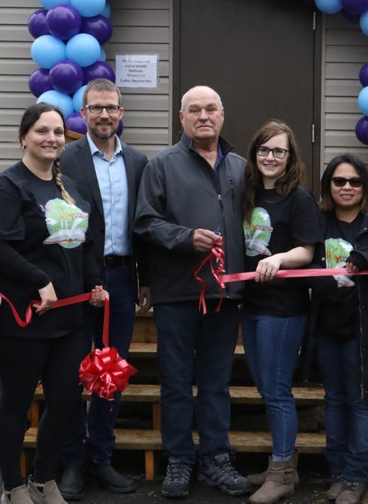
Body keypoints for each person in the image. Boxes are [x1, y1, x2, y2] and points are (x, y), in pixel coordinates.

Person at [0, 103, 106, 504]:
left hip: (69, 315)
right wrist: (40, 280)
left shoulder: (67, 188)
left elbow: (84, 245)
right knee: (16, 401)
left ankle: (43, 479)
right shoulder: (7, 187)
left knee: (66, 400)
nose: (51, 139)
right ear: (24, 137)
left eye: (57, 132)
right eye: (41, 131)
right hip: (21, 317)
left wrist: (95, 284)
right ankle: (12, 486)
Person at [134, 85, 251, 499]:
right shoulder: (162, 165)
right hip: (178, 294)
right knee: (177, 381)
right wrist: (186, 238)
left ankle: (218, 460)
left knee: (217, 382)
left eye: (211, 109)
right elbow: (145, 222)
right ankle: (179, 461)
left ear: (223, 114)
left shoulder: (241, 167)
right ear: (181, 118)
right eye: (194, 110)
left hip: (226, 293)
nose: (204, 116)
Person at [59, 78, 149, 500]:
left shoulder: (138, 161)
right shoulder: (67, 158)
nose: (104, 115)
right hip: (78, 280)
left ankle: (102, 457)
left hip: (123, 278)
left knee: (112, 373)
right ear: (83, 113)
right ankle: (73, 462)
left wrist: (144, 278)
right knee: (75, 370)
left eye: (111, 107)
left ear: (121, 113)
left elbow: (144, 226)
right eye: (95, 108)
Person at [305, 153, 368, 504]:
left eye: (354, 181)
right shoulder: (318, 222)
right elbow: (307, 266)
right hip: (328, 326)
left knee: (361, 400)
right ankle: (336, 472)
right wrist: (329, 287)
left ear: (365, 186)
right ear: (328, 186)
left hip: (366, 329)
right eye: (339, 181)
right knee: (333, 400)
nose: (346, 187)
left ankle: (355, 476)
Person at [239, 120, 320, 504]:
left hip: (284, 309)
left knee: (276, 390)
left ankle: (283, 472)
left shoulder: (299, 198)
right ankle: (281, 462)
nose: (271, 157)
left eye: (279, 151)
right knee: (263, 385)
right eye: (264, 150)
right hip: (250, 304)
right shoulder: (247, 194)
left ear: (290, 158)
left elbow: (307, 250)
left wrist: (280, 260)